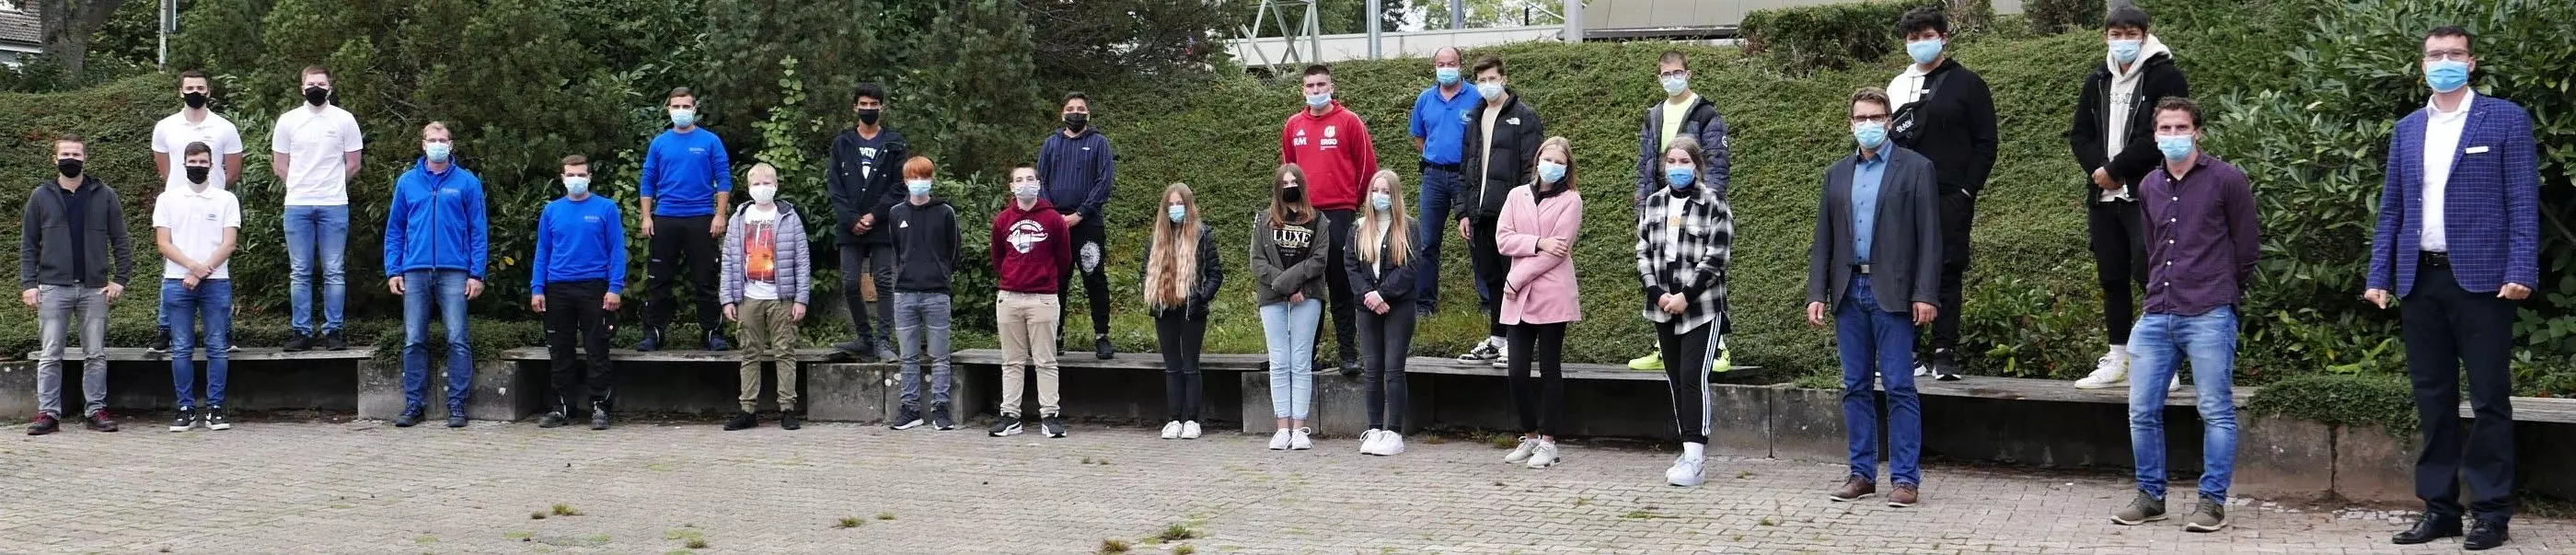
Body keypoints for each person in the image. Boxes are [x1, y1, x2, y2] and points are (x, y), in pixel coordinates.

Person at [2371, 26, 2538, 551]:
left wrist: (2522, 270)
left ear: (2472, 62)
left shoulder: (2505, 118)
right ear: (2422, 65)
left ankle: (2491, 512)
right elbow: (2392, 208)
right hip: (2420, 279)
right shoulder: (2407, 128)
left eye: (2454, 53)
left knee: (2489, 398)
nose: (2444, 60)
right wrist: (2379, 276)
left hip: (2486, 282)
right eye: (2435, 54)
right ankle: (2439, 510)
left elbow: (2522, 202)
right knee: (2432, 399)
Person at [2108, 97, 2256, 534]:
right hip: (2157, 312)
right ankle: (2151, 497)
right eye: (2165, 129)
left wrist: (2225, 293)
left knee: (2215, 410)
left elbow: (2246, 247)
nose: (2173, 136)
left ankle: (2212, 502)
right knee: (2141, 409)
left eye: (2181, 128)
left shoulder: (2227, 180)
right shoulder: (2150, 185)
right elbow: (2153, 248)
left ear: (2198, 132)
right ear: (2154, 135)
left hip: (2209, 310)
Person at [1807, 88, 1941, 506]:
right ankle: (1861, 474)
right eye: (1861, 117)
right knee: (1854, 386)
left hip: (1895, 293)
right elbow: (1823, 241)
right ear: (1851, 124)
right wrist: (1817, 293)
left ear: (1888, 121)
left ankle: (1905, 480)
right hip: (1849, 292)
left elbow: (1930, 238)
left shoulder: (1916, 168)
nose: (1868, 124)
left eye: (1876, 117)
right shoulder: (1837, 173)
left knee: (1900, 385)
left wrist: (1925, 292)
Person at [2070, 6, 2190, 391]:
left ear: (2144, 34)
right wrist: (2098, 171)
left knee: (2152, 274)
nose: (2123, 40)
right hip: (2104, 195)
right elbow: (2080, 134)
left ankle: (2163, 362)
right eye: (2116, 34)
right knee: (2112, 276)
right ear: (2105, 36)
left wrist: (2117, 169)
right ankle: (2118, 356)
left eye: (2131, 33)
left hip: (2146, 192)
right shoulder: (2098, 79)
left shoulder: (2164, 75)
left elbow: (2162, 133)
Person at [1885, 7, 1996, 381]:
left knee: (1947, 270)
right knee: (1905, 270)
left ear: (1944, 37)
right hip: (1903, 195)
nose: (1920, 43)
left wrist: (1967, 189)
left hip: (1950, 193)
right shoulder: (1897, 85)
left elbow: (1986, 141)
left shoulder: (1967, 83)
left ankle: (1944, 351)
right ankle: (1907, 350)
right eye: (1913, 38)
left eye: (1927, 35)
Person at [1633, 135, 1731, 485]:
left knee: (1693, 377)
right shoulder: (1655, 203)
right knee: (1676, 379)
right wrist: (1657, 292)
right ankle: (1687, 448)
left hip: (1701, 307)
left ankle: (1696, 458)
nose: (1677, 168)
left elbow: (1716, 257)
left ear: (1697, 166)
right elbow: (1643, 250)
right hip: (1663, 306)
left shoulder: (1713, 203)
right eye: (1671, 162)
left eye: (1684, 162)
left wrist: (1686, 295)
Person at [1627, 50, 1733, 373]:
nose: (1670, 79)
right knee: (1663, 272)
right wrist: (1642, 206)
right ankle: (1663, 345)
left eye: (1676, 72)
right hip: (1661, 206)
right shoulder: (1654, 114)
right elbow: (1646, 162)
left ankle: (1718, 348)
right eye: (1665, 74)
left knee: (1702, 273)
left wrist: (1707, 205)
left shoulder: (1705, 113)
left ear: (1688, 73)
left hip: (1696, 205)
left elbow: (1716, 162)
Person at [21, 134, 132, 435]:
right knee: (51, 352)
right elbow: (29, 244)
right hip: (53, 287)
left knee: (95, 353)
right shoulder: (41, 196)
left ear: (85, 158)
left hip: (94, 288)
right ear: (55, 159)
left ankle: (95, 410)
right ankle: (48, 414)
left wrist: (120, 279)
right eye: (66, 153)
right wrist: (29, 283)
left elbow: (120, 239)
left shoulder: (104, 194)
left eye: (77, 153)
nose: (72, 158)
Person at [383, 121, 490, 429]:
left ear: (451, 145)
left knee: (458, 338)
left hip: (455, 271)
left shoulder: (467, 182)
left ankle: (457, 405)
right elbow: (395, 230)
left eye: (443, 139)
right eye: (433, 139)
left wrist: (476, 273)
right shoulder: (407, 182)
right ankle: (414, 404)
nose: (438, 144)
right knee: (414, 339)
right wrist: (394, 269)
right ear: (423, 144)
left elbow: (477, 230)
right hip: (414, 270)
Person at [1279, 64, 1377, 374]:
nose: (1316, 91)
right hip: (1303, 214)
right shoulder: (1293, 125)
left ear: (1332, 87)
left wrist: (1353, 203)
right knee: (1306, 285)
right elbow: (1288, 173)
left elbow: (1366, 168)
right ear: (1303, 90)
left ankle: (1348, 353)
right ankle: (1306, 355)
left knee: (1341, 282)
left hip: (1339, 211)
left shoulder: (1349, 122)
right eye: (1311, 86)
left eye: (1322, 85)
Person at [1451, 54, 1545, 369]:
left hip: (1511, 216)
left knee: (1513, 277)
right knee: (1491, 278)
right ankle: (1498, 340)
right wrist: (1463, 212)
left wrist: (1522, 209)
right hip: (1479, 215)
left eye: (1492, 79)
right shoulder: (1474, 118)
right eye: (1481, 80)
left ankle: (1518, 343)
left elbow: (1531, 170)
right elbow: (1465, 169)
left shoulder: (1524, 117)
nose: (1487, 85)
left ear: (1504, 78)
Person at [1496, 136, 1584, 469]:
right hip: (1516, 299)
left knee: (1550, 369)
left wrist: (1517, 278)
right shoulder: (1516, 196)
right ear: (1537, 161)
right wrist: (1537, 242)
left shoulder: (1571, 201)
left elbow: (1558, 251)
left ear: (1567, 168)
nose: (1552, 166)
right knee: (1516, 371)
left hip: (1548, 292)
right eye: (1548, 159)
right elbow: (1503, 239)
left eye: (1559, 162)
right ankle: (1530, 435)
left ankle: (1549, 442)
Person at [148, 70, 246, 356]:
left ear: (208, 91)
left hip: (214, 204)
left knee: (218, 261)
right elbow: (165, 168)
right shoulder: (165, 126)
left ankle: (224, 333)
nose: (195, 91)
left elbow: (233, 169)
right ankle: (165, 330)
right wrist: (181, 190)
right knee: (173, 265)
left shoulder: (224, 127)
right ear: (180, 91)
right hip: (177, 205)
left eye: (200, 87)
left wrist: (211, 191)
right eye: (189, 87)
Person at [271, 64, 364, 352]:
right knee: (300, 270)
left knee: (334, 270)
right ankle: (302, 331)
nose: (316, 88)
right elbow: (280, 165)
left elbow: (354, 163)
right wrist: (300, 185)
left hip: (334, 204)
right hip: (297, 205)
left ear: (330, 88)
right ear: (302, 87)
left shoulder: (345, 120)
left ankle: (333, 331)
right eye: (311, 83)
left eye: (321, 84)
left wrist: (332, 184)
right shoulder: (288, 121)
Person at [637, 87, 734, 353]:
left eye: (686, 106)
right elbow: (648, 180)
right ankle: (654, 333)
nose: (681, 111)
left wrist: (720, 214)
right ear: (668, 109)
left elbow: (724, 179)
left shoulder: (710, 141)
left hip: (702, 218)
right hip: (665, 217)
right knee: (659, 280)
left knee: (706, 279)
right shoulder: (659, 143)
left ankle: (712, 334)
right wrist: (646, 216)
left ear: (694, 108)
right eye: (676, 106)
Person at [531, 155, 625, 431]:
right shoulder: (551, 210)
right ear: (562, 178)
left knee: (597, 349)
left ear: (589, 177)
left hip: (595, 286)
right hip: (557, 287)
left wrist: (615, 287)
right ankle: (562, 407)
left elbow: (616, 250)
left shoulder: (606, 208)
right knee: (560, 351)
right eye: (570, 175)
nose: (576, 180)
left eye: (581, 174)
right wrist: (537, 288)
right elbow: (543, 252)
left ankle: (600, 407)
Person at [720, 163, 813, 432]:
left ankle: (787, 409)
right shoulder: (739, 218)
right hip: (748, 296)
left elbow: (802, 261)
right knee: (749, 352)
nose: (763, 188)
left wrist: (800, 299)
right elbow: (729, 260)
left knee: (785, 351)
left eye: (767, 183)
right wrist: (727, 298)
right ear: (749, 188)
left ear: (776, 185)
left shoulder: (789, 217)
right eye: (757, 184)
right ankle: (747, 410)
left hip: (781, 297)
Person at [156, 143, 239, 432]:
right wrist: (193, 268)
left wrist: (202, 272)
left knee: (217, 347)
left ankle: (215, 407)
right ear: (184, 163)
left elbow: (229, 243)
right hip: (177, 282)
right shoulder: (167, 199)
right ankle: (185, 408)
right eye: (193, 160)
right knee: (181, 349)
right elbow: (163, 243)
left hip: (216, 283)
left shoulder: (226, 199)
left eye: (203, 161)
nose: (198, 165)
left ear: (212, 165)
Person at [826, 82, 909, 363]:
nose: (869, 109)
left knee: (885, 282)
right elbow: (834, 186)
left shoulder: (895, 143)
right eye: (864, 104)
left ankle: (884, 341)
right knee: (850, 283)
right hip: (849, 226)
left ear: (881, 107)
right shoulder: (842, 143)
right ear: (855, 107)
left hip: (883, 224)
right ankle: (864, 338)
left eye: (874, 105)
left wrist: (874, 215)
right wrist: (852, 219)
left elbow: (900, 186)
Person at [990, 165, 1073, 438]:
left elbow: (1063, 260)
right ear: (1011, 186)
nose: (1024, 184)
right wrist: (1014, 278)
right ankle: (1010, 415)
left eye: (1029, 179)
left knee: (1045, 360)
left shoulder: (1053, 220)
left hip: (1043, 298)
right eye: (1018, 180)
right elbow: (998, 258)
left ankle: (1050, 415)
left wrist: (1042, 279)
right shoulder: (1002, 220)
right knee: (1011, 361)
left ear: (1038, 183)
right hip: (1010, 297)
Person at [1253, 164, 1327, 451]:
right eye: (1284, 182)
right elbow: (1257, 263)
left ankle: (1299, 428)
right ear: (1276, 187)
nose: (1289, 186)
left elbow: (1318, 261)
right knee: (1279, 361)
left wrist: (1296, 286)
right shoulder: (1263, 221)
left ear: (1302, 185)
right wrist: (1285, 287)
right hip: (1273, 299)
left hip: (1307, 297)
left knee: (1300, 361)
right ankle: (1282, 427)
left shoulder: (1318, 220)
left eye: (1293, 181)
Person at [1038, 92, 1117, 359]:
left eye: (1081, 108)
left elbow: (1104, 183)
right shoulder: (1051, 144)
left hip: (1088, 223)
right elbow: (1042, 183)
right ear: (1063, 114)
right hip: (1055, 225)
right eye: (1071, 108)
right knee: (1057, 280)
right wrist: (1052, 215)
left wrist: (1080, 214)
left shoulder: (1099, 143)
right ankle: (1056, 334)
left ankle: (1101, 335)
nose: (1076, 112)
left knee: (1094, 278)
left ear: (1088, 114)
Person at [1350, 169, 1422, 457]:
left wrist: (1384, 293)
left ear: (1395, 196)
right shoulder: (1357, 227)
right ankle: (1375, 428)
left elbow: (1412, 267)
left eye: (1386, 192)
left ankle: (1394, 431)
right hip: (1367, 307)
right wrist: (1369, 294)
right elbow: (1351, 266)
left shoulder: (1409, 227)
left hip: (1398, 306)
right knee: (1372, 369)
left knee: (1393, 368)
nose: (1380, 197)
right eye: (1376, 191)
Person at [887, 156, 963, 432]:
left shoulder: (945, 212)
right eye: (913, 177)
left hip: (937, 294)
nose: (918, 182)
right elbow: (897, 250)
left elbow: (954, 252)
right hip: (904, 294)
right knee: (907, 356)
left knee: (940, 356)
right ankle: (910, 409)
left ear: (931, 178)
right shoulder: (896, 213)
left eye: (923, 176)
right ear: (905, 181)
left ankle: (940, 410)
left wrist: (940, 274)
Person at [1143, 183, 1223, 441]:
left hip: (1192, 309)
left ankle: (1192, 420)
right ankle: (1173, 418)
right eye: (1171, 205)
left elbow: (1215, 273)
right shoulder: (1157, 238)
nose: (1175, 209)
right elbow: (1144, 272)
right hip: (1165, 307)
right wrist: (1154, 298)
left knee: (1190, 366)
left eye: (1180, 204)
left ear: (1188, 206)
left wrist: (1202, 297)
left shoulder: (1202, 235)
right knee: (1172, 368)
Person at [1404, 46, 1480, 316]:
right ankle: (1424, 304)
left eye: (1451, 63)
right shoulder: (1425, 99)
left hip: (1466, 176)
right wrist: (1434, 154)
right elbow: (1418, 136)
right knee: (1427, 243)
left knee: (1476, 237)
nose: (1446, 67)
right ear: (1434, 66)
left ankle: (1487, 302)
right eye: (1441, 63)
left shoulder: (1476, 96)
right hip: (1433, 176)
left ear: (1460, 65)